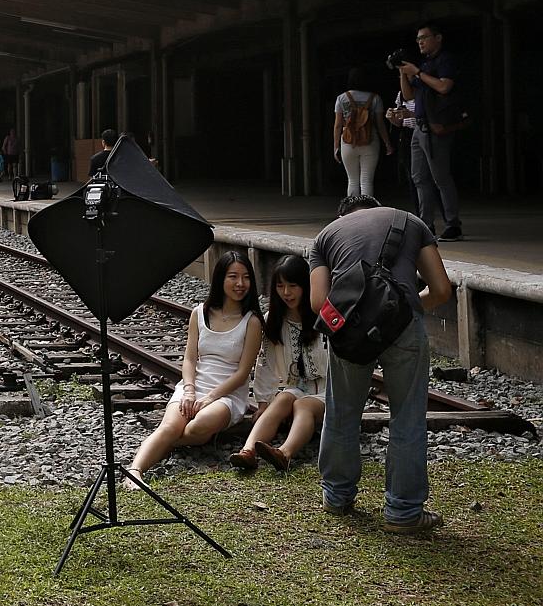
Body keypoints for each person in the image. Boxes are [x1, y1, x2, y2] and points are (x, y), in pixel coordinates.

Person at [310, 194, 453, 532]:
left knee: (342, 411)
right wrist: (400, 308)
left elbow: (319, 302)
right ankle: (403, 512)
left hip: (349, 330)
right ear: (377, 208)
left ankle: (336, 495)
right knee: (407, 416)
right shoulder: (409, 221)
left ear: (343, 215)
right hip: (403, 327)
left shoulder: (326, 235)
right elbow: (442, 290)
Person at [129, 252, 263, 485]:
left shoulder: (251, 321)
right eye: (233, 276)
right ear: (220, 279)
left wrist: (210, 397)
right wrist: (189, 390)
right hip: (194, 385)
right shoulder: (199, 313)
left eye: (245, 277)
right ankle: (135, 471)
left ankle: (160, 443)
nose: (240, 284)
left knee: (196, 428)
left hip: (227, 394)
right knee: (170, 426)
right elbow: (190, 359)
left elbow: (243, 373)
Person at [229, 254, 328, 473]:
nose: (286, 293)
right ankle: (248, 452)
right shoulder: (274, 319)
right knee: (284, 398)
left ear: (306, 285)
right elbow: (264, 361)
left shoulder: (322, 317)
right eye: (280, 286)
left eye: (293, 286)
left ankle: (284, 453)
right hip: (298, 387)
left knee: (302, 405)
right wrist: (263, 401)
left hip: (329, 391)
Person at [398, 22, 464, 241]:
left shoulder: (445, 60)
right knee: (419, 178)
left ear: (438, 38)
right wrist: (403, 73)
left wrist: (416, 72)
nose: (420, 42)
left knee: (440, 177)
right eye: (417, 39)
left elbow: (445, 87)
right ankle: (425, 225)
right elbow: (408, 97)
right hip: (419, 126)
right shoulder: (425, 65)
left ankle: (453, 224)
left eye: (424, 38)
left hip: (436, 127)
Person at [333, 68, 394, 198]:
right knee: (366, 180)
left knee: (352, 180)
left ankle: (353, 213)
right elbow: (380, 124)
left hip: (348, 142)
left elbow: (338, 125)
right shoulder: (375, 98)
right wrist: (387, 143)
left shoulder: (341, 98)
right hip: (370, 140)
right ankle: (367, 212)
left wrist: (336, 146)